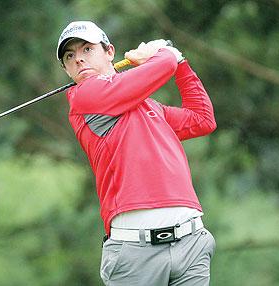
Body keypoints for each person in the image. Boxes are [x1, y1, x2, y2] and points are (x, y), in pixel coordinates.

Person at [56, 20, 217, 286]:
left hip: (191, 243)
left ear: (110, 52)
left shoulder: (151, 108)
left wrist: (182, 65)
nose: (79, 60)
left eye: (87, 49)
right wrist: (166, 52)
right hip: (134, 255)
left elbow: (202, 119)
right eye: (69, 56)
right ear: (66, 70)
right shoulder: (85, 98)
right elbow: (162, 66)